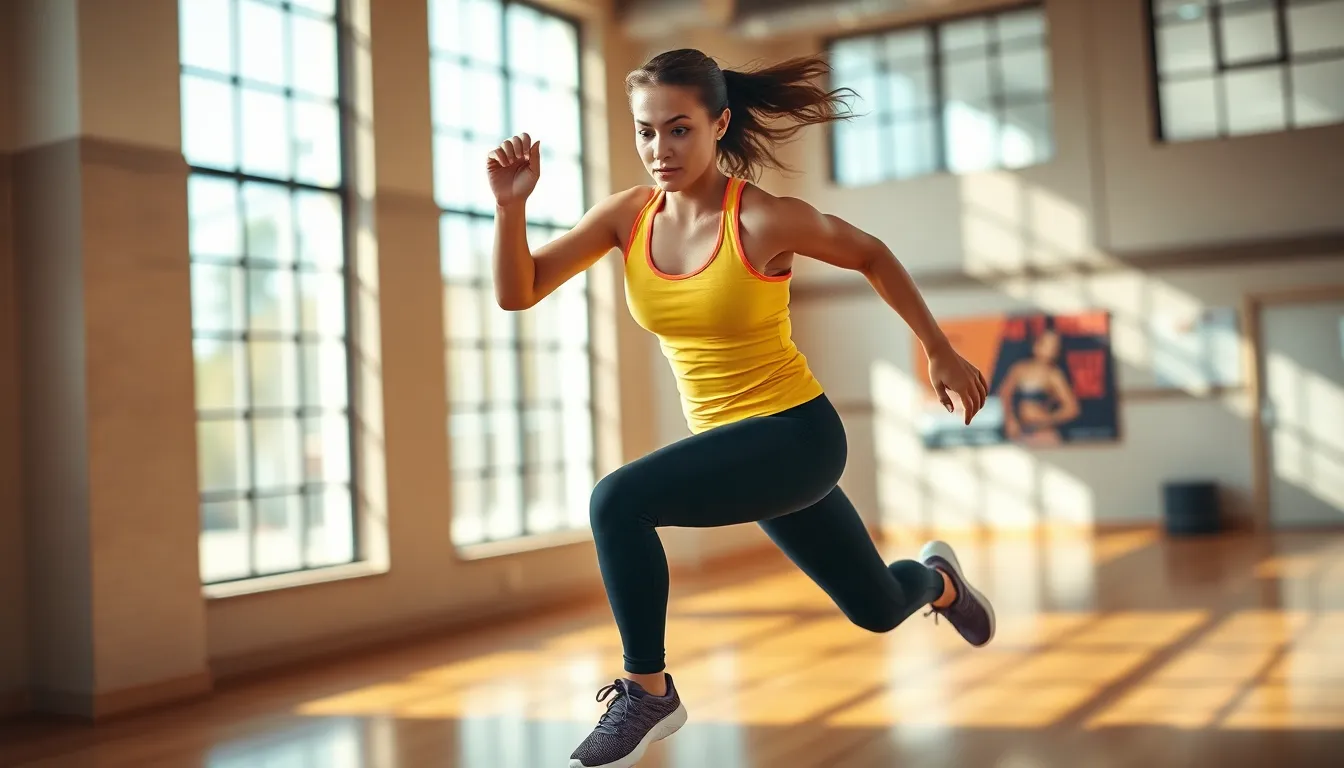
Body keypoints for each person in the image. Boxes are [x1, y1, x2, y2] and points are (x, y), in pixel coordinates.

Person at [485, 48, 996, 768]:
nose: (659, 149)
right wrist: (512, 209)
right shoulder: (628, 217)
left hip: (797, 438)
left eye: (679, 129)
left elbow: (872, 253)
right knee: (878, 607)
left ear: (719, 123)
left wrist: (937, 349)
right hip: (738, 453)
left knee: (617, 501)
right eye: (645, 132)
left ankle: (648, 688)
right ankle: (940, 581)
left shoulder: (761, 219)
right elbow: (520, 289)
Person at [999, 322, 1080, 446]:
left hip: (1043, 433)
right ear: (1036, 345)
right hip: (1020, 431)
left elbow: (1072, 409)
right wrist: (1010, 420)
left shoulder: (1054, 375)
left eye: (1055, 346)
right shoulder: (1020, 369)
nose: (1051, 350)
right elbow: (1004, 394)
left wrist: (1048, 420)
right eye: (1047, 345)